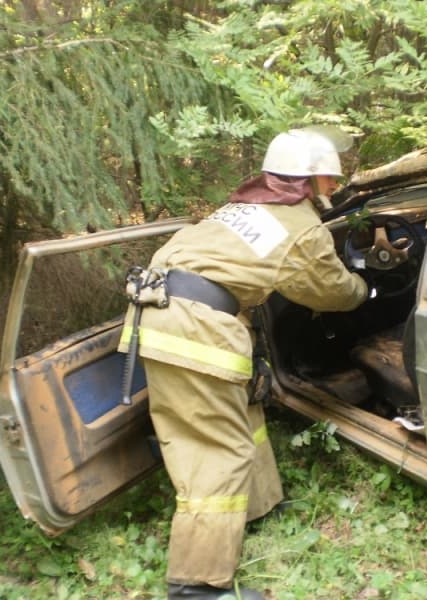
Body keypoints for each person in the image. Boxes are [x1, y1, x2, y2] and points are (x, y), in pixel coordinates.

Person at [118, 126, 369, 600]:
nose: (334, 188)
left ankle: (259, 505)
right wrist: (366, 290)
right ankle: (197, 586)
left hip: (162, 315)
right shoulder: (301, 228)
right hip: (195, 327)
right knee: (213, 449)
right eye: (329, 180)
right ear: (308, 182)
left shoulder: (241, 208)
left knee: (243, 420)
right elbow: (331, 291)